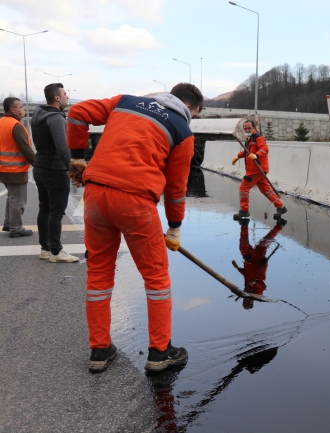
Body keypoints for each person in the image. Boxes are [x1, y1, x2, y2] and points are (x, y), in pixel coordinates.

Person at [66, 83, 204, 373]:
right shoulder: (182, 129)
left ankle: (100, 349)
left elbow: (77, 113)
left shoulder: (125, 101)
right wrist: (175, 226)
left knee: (99, 272)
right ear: (190, 108)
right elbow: (176, 188)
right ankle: (160, 351)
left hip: (95, 194)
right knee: (156, 277)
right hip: (136, 201)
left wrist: (78, 156)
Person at [31, 83, 78, 262]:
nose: (67, 97)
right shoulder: (56, 118)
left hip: (40, 168)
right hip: (55, 170)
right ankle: (56, 252)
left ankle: (45, 248)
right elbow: (63, 149)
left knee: (44, 209)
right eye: (65, 94)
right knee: (56, 212)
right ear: (57, 97)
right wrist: (75, 172)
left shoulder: (38, 115)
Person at [231, 120, 287, 220]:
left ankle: (244, 210)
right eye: (245, 128)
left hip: (257, 169)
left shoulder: (258, 138)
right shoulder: (249, 138)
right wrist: (238, 156)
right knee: (266, 190)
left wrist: (257, 155)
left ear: (254, 128)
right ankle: (281, 207)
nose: (247, 130)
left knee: (243, 188)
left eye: (249, 128)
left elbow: (265, 149)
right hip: (255, 169)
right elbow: (247, 151)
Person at [232, 218, 284, 310]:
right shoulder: (257, 295)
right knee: (243, 247)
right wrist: (255, 283)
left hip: (256, 263)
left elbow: (246, 275)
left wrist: (237, 268)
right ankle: (244, 224)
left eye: (244, 302)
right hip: (255, 263)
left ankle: (279, 226)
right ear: (252, 303)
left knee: (264, 242)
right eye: (247, 303)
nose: (246, 301)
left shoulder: (246, 291)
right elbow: (262, 286)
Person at [0, 97, 34, 238]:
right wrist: (36, 162)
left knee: (11, 197)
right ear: (12, 109)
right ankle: (16, 228)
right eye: (20, 107)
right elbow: (25, 147)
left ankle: (8, 223)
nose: (22, 109)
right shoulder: (16, 125)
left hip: (3, 168)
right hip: (15, 169)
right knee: (18, 200)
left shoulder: (2, 122)